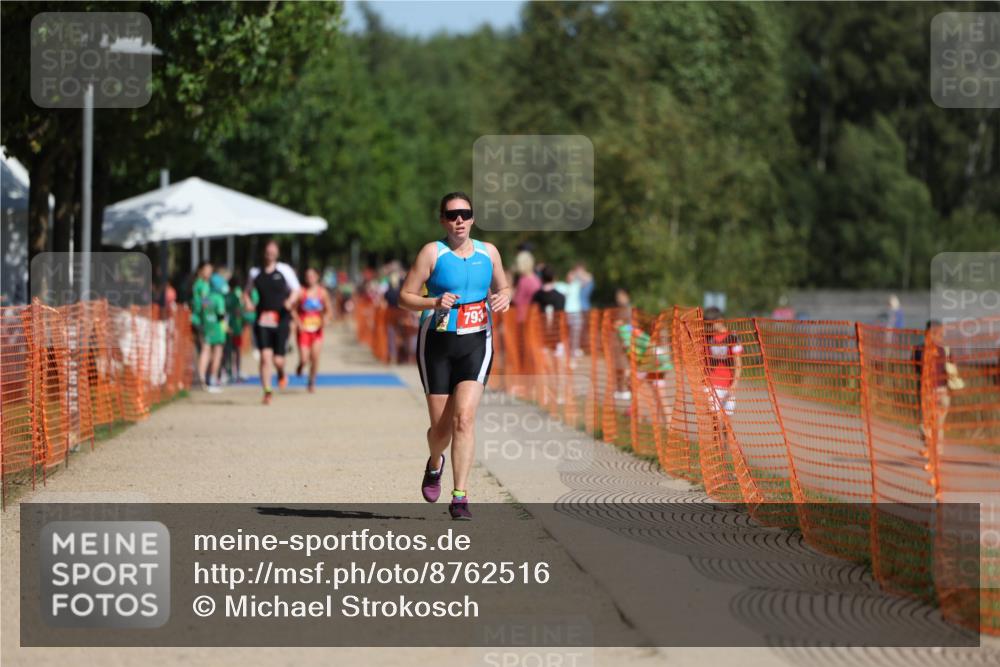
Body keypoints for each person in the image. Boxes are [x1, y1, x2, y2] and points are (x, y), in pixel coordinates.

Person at [399, 192, 510, 521]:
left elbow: (504, 287)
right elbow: (404, 297)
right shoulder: (432, 252)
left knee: (464, 419)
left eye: (464, 213)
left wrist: (504, 297)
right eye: (451, 215)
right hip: (437, 344)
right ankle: (435, 463)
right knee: (441, 430)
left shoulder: (489, 252)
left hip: (477, 342)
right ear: (442, 220)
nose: (459, 220)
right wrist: (433, 302)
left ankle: (460, 496)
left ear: (473, 218)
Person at [245, 240, 301, 405]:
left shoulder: (284, 270)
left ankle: (281, 373)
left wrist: (290, 301)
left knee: (278, 360)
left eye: (273, 251)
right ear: (264, 253)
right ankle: (267, 391)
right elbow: (246, 291)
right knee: (265, 357)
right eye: (268, 251)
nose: (270, 254)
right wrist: (248, 302)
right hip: (262, 320)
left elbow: (297, 290)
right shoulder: (255, 272)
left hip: (281, 319)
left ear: (277, 253)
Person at [293, 267, 333, 392]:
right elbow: (293, 310)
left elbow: (329, 310)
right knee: (304, 358)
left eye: (312, 276)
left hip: (317, 331)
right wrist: (298, 323)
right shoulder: (301, 292)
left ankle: (312, 381)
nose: (310, 278)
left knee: (315, 357)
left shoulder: (323, 293)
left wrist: (326, 319)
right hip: (303, 331)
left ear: (317, 277)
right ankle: (301, 365)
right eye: (307, 276)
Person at [703, 306, 742, 418]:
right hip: (711, 383)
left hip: (727, 384)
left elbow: (738, 364)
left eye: (710, 324)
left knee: (726, 420)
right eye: (707, 324)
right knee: (715, 417)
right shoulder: (708, 338)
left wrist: (734, 384)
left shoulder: (732, 337)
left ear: (719, 321)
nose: (708, 327)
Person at [200, 273, 229, 393]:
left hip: (207, 327)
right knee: (217, 353)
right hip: (218, 329)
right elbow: (221, 315)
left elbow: (202, 311)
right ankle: (213, 379)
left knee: (205, 352)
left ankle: (202, 378)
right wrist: (226, 328)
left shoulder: (206, 297)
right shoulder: (219, 298)